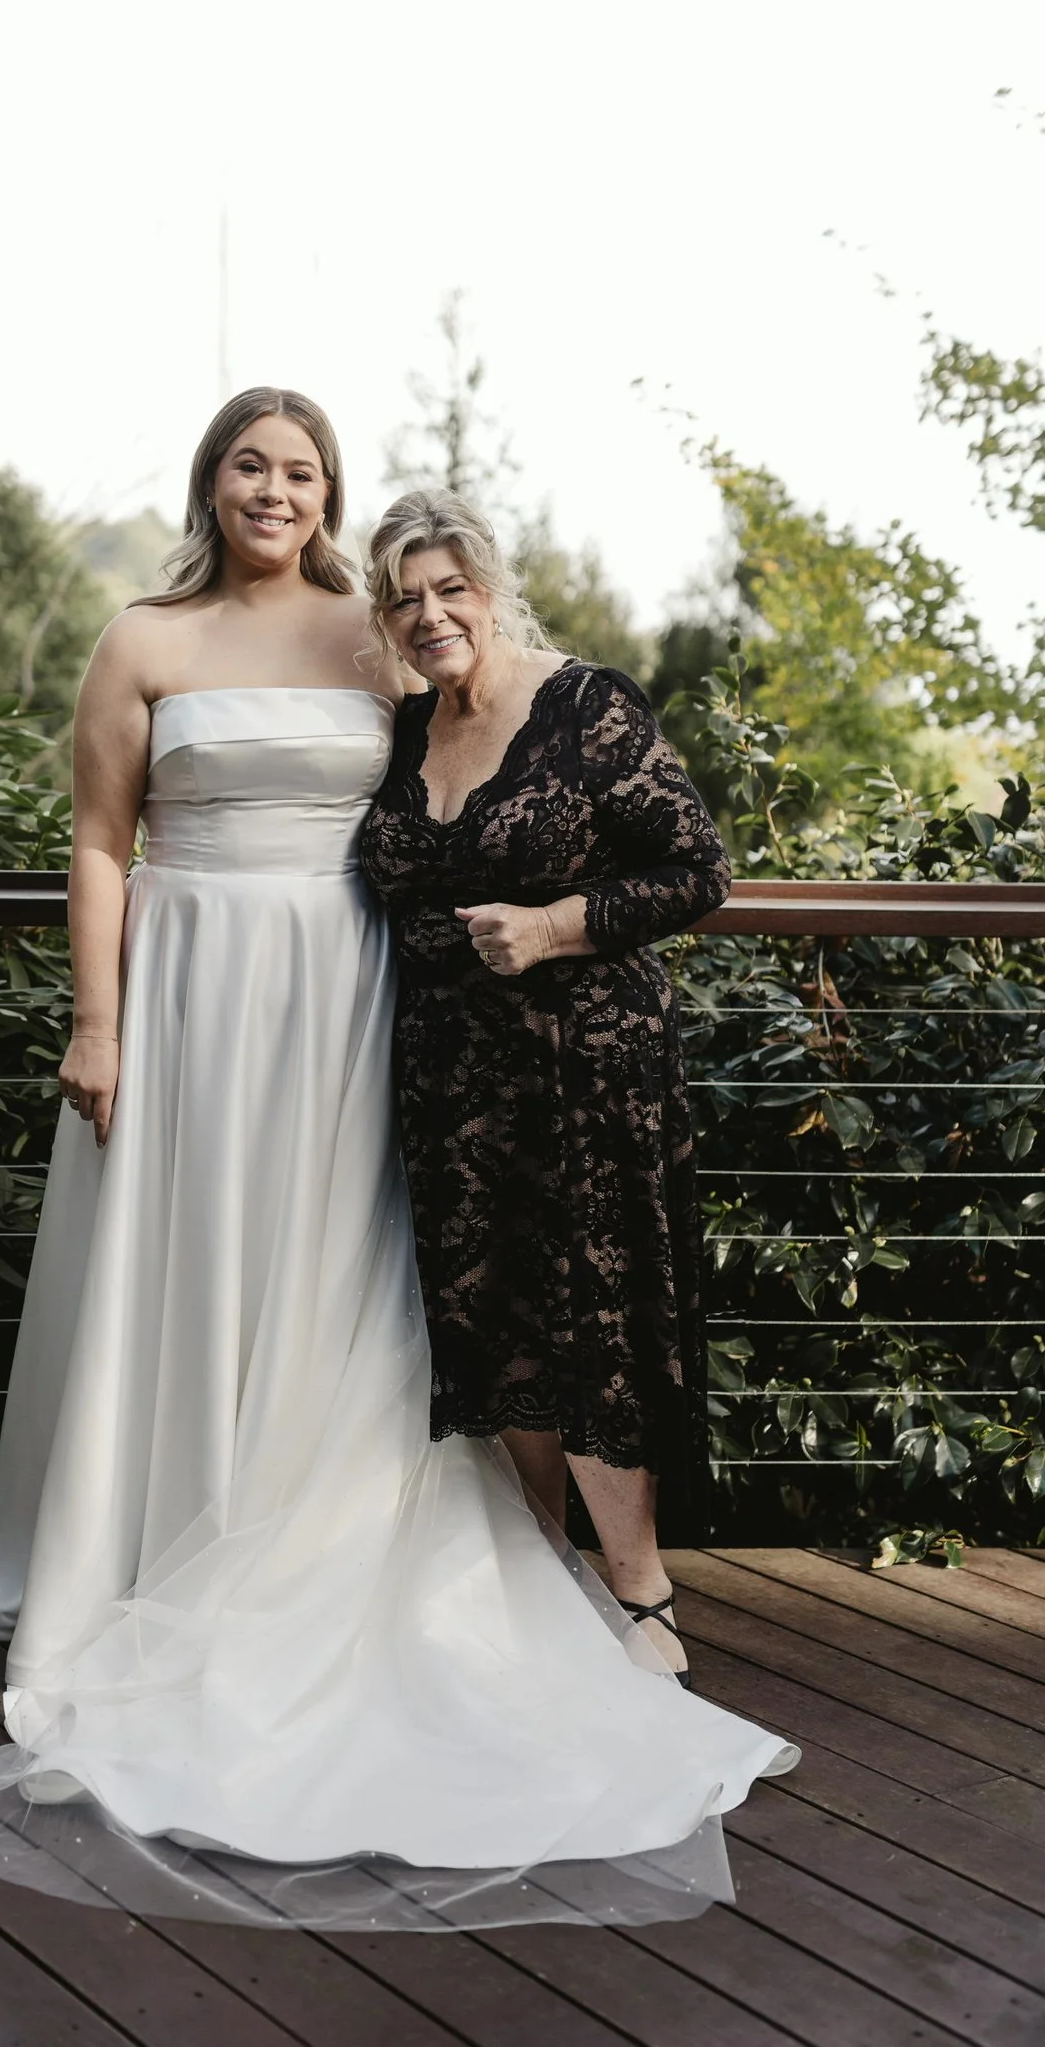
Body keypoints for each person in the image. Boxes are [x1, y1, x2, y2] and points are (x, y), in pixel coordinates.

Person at [0, 396, 795, 1931]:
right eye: (252, 465)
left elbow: (495, 746)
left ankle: (441, 1559)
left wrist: (565, 924)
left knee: (353, 1270)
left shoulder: (372, 641)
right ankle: (147, 1543)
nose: (275, 491)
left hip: (362, 1000)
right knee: (188, 1255)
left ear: (331, 499)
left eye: (302, 472)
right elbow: (102, 841)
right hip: (190, 993)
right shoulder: (143, 639)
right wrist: (97, 1025)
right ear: (212, 480)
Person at [359, 489, 728, 1681]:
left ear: (487, 587)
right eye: (404, 599)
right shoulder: (406, 731)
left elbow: (694, 868)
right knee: (491, 1323)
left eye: (448, 590)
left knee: (588, 1328)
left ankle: (640, 1597)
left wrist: (557, 927)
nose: (428, 616)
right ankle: (543, 1581)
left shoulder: (584, 706)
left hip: (584, 1074)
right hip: (450, 1085)